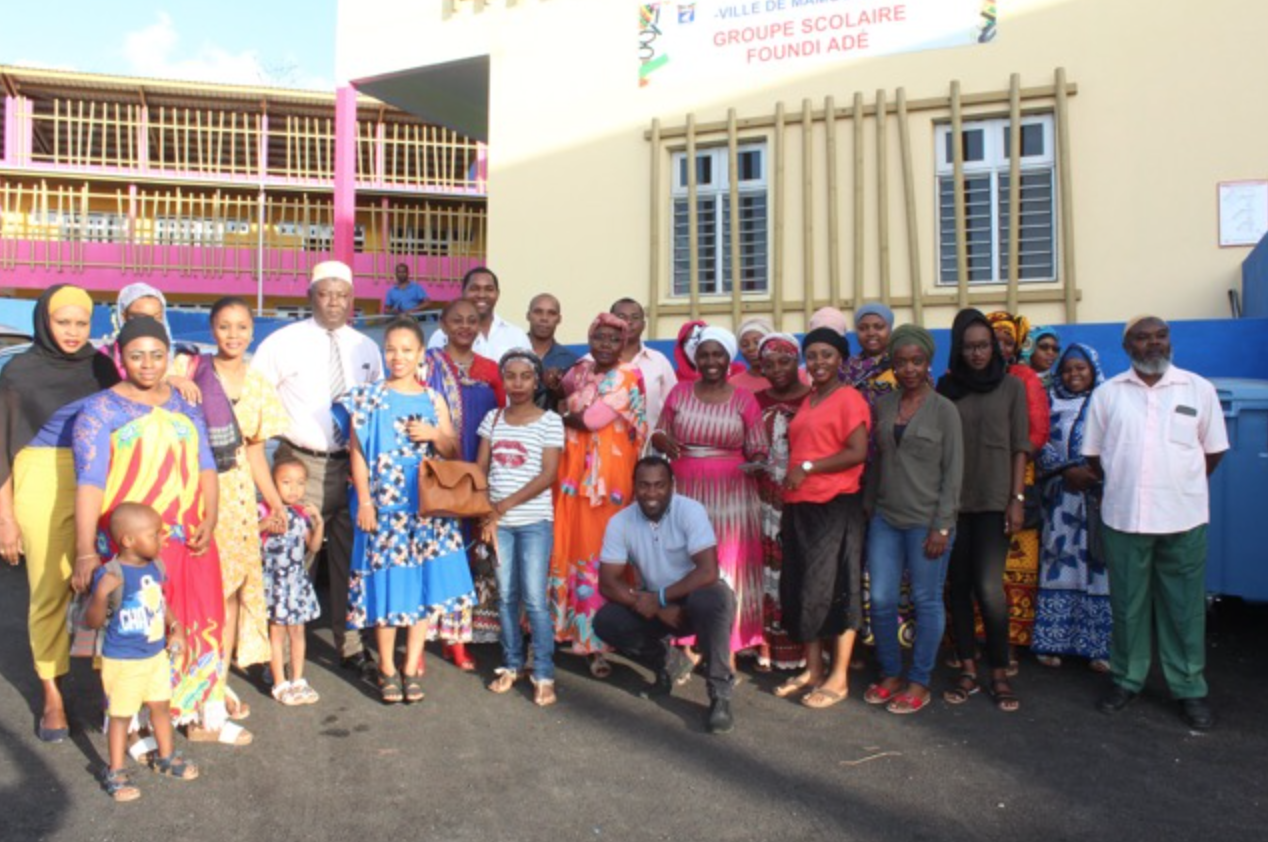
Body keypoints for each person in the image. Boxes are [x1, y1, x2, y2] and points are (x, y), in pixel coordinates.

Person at [72, 317, 246, 745]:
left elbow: (206, 464)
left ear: (168, 356)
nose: (147, 364)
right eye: (136, 355)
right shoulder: (99, 411)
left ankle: (197, 712)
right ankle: (134, 727)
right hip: (132, 544)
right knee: (137, 630)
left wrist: (209, 518)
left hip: (189, 537)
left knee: (200, 618)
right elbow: (90, 483)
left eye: (156, 354)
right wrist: (83, 551)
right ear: (120, 357)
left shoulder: (186, 403)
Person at [1083, 316, 1228, 730]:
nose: (1153, 344)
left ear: (1170, 340)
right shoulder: (1109, 394)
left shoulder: (1198, 389)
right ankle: (1127, 679)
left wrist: (1176, 483)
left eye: (1160, 336)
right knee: (1127, 607)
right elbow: (1094, 457)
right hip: (1124, 517)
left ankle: (1189, 688)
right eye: (1143, 337)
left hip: (1183, 519)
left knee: (1184, 609)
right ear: (1128, 345)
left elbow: (1213, 453)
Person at [251, 260, 383, 677]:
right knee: (291, 557)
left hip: (350, 466)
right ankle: (283, 653)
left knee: (349, 560)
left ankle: (349, 645)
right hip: (299, 465)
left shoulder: (366, 347)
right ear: (310, 297)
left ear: (352, 301)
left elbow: (374, 406)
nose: (333, 303)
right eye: (325, 294)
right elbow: (256, 396)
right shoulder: (282, 342)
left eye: (342, 295)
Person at [0, 284, 120, 742]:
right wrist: (6, 517)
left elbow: (131, 411)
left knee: (108, 585)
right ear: (44, 322)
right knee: (49, 589)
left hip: (100, 477)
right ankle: (52, 693)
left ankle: (114, 685)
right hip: (40, 479)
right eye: (62, 322)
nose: (72, 332)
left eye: (81, 323)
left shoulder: (101, 366)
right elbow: (1, 449)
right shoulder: (19, 374)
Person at [345, 317, 475, 704]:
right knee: (387, 590)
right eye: (390, 349)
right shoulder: (367, 397)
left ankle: (411, 665)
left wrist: (435, 434)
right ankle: (386, 668)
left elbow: (453, 451)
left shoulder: (433, 399)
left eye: (406, 350)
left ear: (421, 354)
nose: (397, 357)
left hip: (427, 511)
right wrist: (365, 501)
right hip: (385, 511)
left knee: (422, 590)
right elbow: (357, 454)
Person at [174, 297, 289, 721]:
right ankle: (192, 684)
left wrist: (275, 503)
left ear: (252, 331)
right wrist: (176, 382)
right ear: (211, 328)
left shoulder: (258, 383)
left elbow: (256, 452)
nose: (233, 335)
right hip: (197, 494)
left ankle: (216, 685)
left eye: (242, 327)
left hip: (240, 499)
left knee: (233, 593)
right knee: (198, 591)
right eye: (225, 327)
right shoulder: (189, 372)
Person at [594, 457, 737, 734]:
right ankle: (668, 665)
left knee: (714, 599)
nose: (651, 493)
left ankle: (720, 695)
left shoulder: (690, 510)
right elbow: (608, 583)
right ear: (633, 487)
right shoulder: (620, 522)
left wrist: (659, 597)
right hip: (656, 602)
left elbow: (707, 571)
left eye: (659, 485)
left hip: (697, 595)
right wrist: (655, 605)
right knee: (607, 621)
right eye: (644, 486)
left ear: (672, 485)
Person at [651, 326, 768, 665]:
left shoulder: (744, 398)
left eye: (718, 354)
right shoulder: (679, 393)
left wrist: (759, 460)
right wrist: (660, 440)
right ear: (695, 358)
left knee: (727, 564)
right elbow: (661, 431)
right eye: (704, 354)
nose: (711, 361)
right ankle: (686, 641)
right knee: (686, 560)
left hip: (733, 493)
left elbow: (758, 445)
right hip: (686, 489)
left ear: (729, 358)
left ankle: (727, 644)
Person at [862, 325, 963, 715]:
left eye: (916, 361)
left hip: (928, 521)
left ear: (928, 362)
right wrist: (870, 505)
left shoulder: (945, 411)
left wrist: (942, 525)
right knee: (882, 600)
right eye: (900, 362)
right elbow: (879, 462)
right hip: (886, 518)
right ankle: (890, 673)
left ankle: (919, 680)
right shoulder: (884, 406)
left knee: (926, 600)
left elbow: (954, 471)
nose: (908, 369)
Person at [772, 328, 870, 710]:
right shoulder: (811, 399)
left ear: (841, 359)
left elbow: (858, 451)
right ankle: (813, 670)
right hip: (800, 504)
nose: (818, 362)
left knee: (835, 589)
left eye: (826, 354)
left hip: (835, 504)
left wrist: (809, 466)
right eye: (811, 355)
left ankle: (839, 677)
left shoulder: (848, 398)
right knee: (802, 588)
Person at [937, 309, 1029, 713]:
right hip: (954, 503)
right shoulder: (946, 388)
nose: (977, 354)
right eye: (969, 347)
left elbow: (1019, 447)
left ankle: (999, 671)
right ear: (959, 349)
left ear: (994, 347)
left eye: (984, 346)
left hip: (994, 501)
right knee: (956, 587)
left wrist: (1017, 498)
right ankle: (969, 669)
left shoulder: (1011, 387)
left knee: (990, 590)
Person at [551, 313, 647, 677]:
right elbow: (561, 391)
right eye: (599, 337)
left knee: (598, 552)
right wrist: (560, 395)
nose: (605, 344)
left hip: (608, 481)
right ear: (589, 339)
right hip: (572, 474)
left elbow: (591, 421)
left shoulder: (626, 375)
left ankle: (596, 640)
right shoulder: (581, 370)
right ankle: (565, 627)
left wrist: (561, 415)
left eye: (613, 339)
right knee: (570, 545)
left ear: (623, 344)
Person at [85, 503, 198, 802]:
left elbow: (160, 602)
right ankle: (116, 771)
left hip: (154, 656)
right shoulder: (111, 573)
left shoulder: (155, 566)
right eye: (154, 534)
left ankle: (166, 756)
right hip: (123, 660)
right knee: (121, 716)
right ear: (128, 540)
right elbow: (91, 621)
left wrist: (176, 627)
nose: (162, 539)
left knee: (160, 706)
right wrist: (99, 593)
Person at [477, 350, 564, 706]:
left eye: (525, 376)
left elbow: (548, 475)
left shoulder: (549, 421)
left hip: (533, 524)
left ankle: (543, 672)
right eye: (510, 376)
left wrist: (502, 507)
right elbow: (479, 470)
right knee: (507, 597)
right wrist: (487, 513)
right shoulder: (493, 418)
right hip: (498, 524)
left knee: (534, 599)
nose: (517, 383)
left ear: (537, 380)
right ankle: (511, 664)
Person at [425, 298, 507, 665]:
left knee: (471, 552)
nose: (464, 326)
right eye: (456, 319)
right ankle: (426, 635)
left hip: (480, 468)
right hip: (441, 469)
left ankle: (459, 635)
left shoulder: (491, 368)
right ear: (442, 324)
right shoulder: (427, 367)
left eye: (472, 320)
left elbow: (506, 418)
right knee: (437, 550)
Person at [1033, 343, 1110, 673]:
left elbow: (1121, 441)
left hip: (1098, 497)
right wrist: (1066, 470)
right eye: (1067, 369)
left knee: (1099, 568)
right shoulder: (1049, 401)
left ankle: (1099, 649)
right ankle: (1054, 642)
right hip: (1061, 497)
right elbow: (1038, 441)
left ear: (1093, 370)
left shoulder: (1107, 401)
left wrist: (1095, 474)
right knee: (1058, 563)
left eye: (1081, 368)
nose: (1073, 374)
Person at [987, 311, 1050, 657]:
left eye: (1007, 340)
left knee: (1014, 565)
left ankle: (1008, 642)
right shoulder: (959, 377)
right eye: (992, 338)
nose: (998, 346)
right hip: (975, 479)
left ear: (1016, 347)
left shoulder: (1025, 378)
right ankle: (972, 640)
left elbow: (1037, 432)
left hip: (1016, 476)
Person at [754, 333, 811, 672]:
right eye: (768, 363)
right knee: (764, 571)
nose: (776, 369)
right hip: (761, 501)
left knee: (797, 570)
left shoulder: (813, 400)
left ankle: (801, 649)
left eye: (785, 360)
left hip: (801, 498)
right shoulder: (754, 401)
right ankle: (765, 647)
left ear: (797, 362)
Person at [260, 457, 325, 706]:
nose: (293, 489)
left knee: (298, 631)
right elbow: (249, 540)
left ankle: (298, 679)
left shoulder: (302, 514)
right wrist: (263, 525)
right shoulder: (264, 510)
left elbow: (314, 547)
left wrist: (318, 524)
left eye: (299, 483)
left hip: (297, 581)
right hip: (274, 582)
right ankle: (279, 682)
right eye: (286, 482)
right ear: (273, 484)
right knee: (276, 632)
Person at [427, 266, 530, 361]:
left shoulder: (517, 336)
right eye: (474, 289)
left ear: (497, 294)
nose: (481, 295)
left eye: (489, 289)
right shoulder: (441, 336)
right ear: (463, 292)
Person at [608, 298, 676, 429]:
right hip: (605, 447)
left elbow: (673, 407)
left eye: (635, 317)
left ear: (643, 325)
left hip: (650, 446)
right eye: (622, 317)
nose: (629, 322)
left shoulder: (659, 361)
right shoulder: (592, 362)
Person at [526, 293, 579, 410]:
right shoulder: (512, 352)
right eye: (538, 312)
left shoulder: (571, 361)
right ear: (528, 316)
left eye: (551, 313)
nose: (544, 318)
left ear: (559, 319)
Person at [729, 317, 775, 394]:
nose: (751, 348)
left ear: (770, 343)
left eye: (757, 342)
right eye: (745, 345)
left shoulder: (785, 378)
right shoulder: (734, 383)